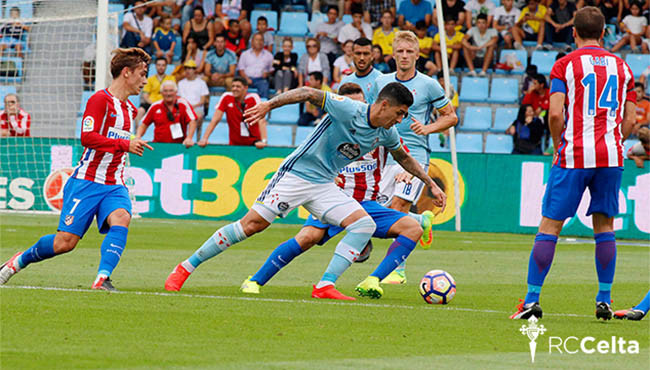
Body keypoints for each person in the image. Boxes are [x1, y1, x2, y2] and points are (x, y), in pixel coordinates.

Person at [164, 82, 446, 300]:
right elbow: (309, 92)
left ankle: (324, 285)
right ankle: (185, 267)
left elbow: (404, 158)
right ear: (384, 105)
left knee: (363, 224)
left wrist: (430, 183)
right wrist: (268, 105)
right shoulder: (349, 109)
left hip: (325, 184)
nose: (400, 120)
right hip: (296, 176)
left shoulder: (386, 133)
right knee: (252, 225)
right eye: (399, 113)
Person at [240, 82, 435, 298]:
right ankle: (255, 280)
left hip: (367, 204)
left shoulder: (382, 129)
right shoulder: (338, 123)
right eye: (354, 103)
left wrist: (411, 174)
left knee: (411, 229)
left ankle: (372, 280)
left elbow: (404, 156)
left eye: (362, 102)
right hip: (334, 198)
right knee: (308, 237)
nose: (359, 107)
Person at [509, 6, 637, 321]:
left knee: (550, 225)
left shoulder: (565, 65)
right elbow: (631, 121)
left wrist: (557, 144)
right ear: (605, 33)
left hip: (574, 154)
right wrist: (613, 140)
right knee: (605, 227)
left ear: (574, 32)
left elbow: (554, 113)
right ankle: (604, 299)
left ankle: (531, 300)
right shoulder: (623, 68)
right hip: (610, 156)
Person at [0, 48, 153, 290]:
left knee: (122, 218)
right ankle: (17, 262)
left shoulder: (130, 110)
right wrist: (125, 144)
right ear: (126, 73)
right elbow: (87, 137)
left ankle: (103, 278)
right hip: (87, 182)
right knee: (65, 243)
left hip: (114, 184)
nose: (145, 81)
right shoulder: (99, 100)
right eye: (142, 74)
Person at [369, 30, 458, 284]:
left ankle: (397, 270)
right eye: (400, 52)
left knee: (398, 209)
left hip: (414, 156)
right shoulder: (380, 82)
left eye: (410, 52)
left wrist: (428, 128)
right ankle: (421, 221)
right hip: (385, 156)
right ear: (393, 55)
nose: (405, 56)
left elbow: (451, 117)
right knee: (382, 213)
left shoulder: (429, 84)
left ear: (418, 55)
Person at [198, 76, 267, 148]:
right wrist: (204, 138)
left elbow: (261, 120)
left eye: (238, 87)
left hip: (254, 143)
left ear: (246, 88)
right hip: (234, 144)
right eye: (233, 86)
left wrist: (263, 141)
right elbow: (215, 120)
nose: (234, 89)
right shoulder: (226, 97)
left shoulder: (253, 97)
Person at [137, 80, 198, 147]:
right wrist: (138, 137)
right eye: (165, 91)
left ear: (176, 92)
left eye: (171, 91)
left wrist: (189, 138)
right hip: (159, 146)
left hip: (179, 146)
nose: (168, 94)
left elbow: (192, 120)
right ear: (161, 93)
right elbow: (143, 124)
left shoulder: (183, 103)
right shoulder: (155, 106)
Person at [136, 58, 175, 124]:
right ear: (156, 66)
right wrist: (154, 105)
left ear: (166, 66)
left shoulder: (171, 78)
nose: (161, 67)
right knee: (140, 111)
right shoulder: (150, 79)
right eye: (159, 65)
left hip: (166, 104)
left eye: (163, 65)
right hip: (150, 103)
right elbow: (145, 96)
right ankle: (137, 133)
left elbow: (172, 94)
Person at [177, 59, 209, 137]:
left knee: (199, 116)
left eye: (190, 68)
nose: (188, 70)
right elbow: (179, 98)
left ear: (194, 70)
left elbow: (203, 100)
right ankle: (181, 138)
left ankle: (197, 138)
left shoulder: (201, 83)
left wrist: (192, 107)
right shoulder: (181, 83)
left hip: (197, 108)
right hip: (184, 108)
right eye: (186, 68)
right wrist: (187, 107)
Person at [237, 33, 274, 99]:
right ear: (252, 42)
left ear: (263, 42)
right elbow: (241, 69)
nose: (259, 42)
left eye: (261, 40)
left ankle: (262, 107)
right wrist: (246, 78)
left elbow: (272, 70)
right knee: (238, 86)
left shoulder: (269, 55)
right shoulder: (245, 54)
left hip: (261, 80)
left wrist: (267, 73)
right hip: (246, 79)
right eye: (257, 40)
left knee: (265, 85)